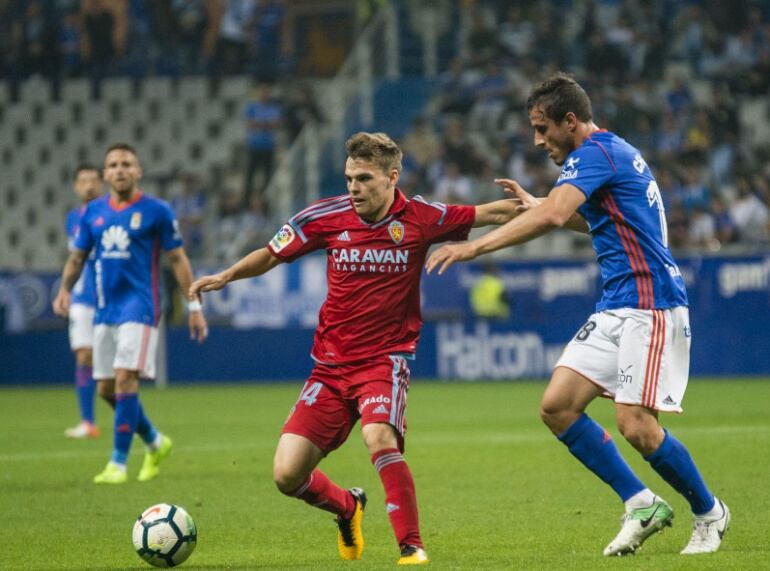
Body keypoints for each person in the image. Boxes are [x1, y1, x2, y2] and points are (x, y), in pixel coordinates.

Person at [426, 73, 730, 557]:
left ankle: (710, 512)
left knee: (636, 425)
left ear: (571, 121)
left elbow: (551, 218)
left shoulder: (595, 154)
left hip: (650, 303)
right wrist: (541, 203)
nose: (537, 140)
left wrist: (474, 248)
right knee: (558, 406)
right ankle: (640, 503)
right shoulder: (608, 152)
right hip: (617, 303)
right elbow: (591, 219)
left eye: (543, 128)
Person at [190, 132, 523, 565]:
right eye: (349, 178)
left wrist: (544, 204)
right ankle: (348, 508)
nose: (353, 188)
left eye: (363, 178)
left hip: (384, 360)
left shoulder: (420, 216)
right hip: (329, 367)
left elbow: (486, 212)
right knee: (287, 474)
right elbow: (272, 254)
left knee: (378, 436)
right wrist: (225, 276)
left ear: (392, 177)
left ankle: (411, 547)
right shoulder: (325, 216)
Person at [53, 143, 208, 484]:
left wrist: (193, 305)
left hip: (141, 308)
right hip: (104, 310)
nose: (120, 169)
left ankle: (118, 463)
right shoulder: (92, 213)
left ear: (138, 171)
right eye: (113, 164)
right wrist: (64, 289)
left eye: (126, 164)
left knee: (126, 378)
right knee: (107, 389)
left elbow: (178, 258)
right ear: (105, 173)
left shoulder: (157, 211)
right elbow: (77, 258)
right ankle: (155, 441)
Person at [63, 164, 104, 439]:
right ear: (76, 187)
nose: (88, 185)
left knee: (116, 369)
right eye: (83, 181)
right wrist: (65, 289)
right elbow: (75, 258)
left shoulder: (110, 213)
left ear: (100, 184)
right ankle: (88, 422)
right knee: (84, 355)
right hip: (82, 296)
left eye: (93, 180)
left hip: (109, 296)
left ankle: (133, 424)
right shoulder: (72, 219)